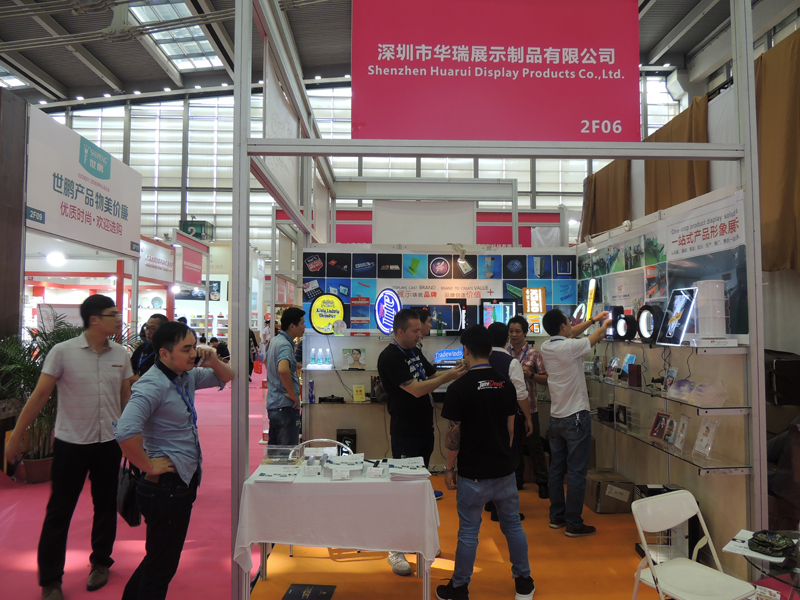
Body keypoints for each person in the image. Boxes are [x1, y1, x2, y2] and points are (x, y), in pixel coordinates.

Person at [4, 295, 134, 600]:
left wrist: (133, 438)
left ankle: (100, 562)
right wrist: (15, 436)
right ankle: (51, 580)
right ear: (94, 320)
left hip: (108, 443)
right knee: (59, 511)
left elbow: (126, 398)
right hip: (70, 444)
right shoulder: (62, 352)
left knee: (105, 506)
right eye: (113, 314)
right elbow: (39, 396)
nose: (119, 320)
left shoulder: (121, 353)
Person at [115, 321, 234, 600]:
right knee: (162, 565)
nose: (193, 354)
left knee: (159, 557)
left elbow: (227, 376)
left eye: (194, 347)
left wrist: (212, 359)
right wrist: (147, 465)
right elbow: (125, 430)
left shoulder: (184, 376)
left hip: (181, 479)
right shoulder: (153, 384)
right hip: (164, 487)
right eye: (186, 349)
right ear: (164, 353)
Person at [437, 325, 535, 600]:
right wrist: (505, 458)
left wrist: (449, 469)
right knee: (513, 527)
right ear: (491, 350)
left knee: (469, 532)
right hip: (503, 470)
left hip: (472, 473)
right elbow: (511, 430)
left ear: (465, 350)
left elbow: (454, 435)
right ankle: (524, 582)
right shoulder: (505, 385)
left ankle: (459, 587)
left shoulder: (458, 387)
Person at [377, 308, 466, 576]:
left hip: (423, 429)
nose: (420, 334)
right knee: (403, 493)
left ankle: (418, 540)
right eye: (415, 331)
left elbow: (429, 376)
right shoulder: (390, 357)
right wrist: (450, 377)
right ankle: (395, 549)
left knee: (419, 491)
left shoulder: (414, 351)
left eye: (420, 329)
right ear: (400, 332)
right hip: (405, 432)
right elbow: (416, 390)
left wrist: (454, 371)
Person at [540, 308, 611, 538]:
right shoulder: (571, 347)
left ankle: (556, 516)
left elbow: (572, 333)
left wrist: (593, 320)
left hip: (556, 418)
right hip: (576, 418)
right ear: (562, 327)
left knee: (556, 469)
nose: (571, 325)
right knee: (577, 472)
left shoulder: (547, 346)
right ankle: (574, 523)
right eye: (568, 323)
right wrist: (607, 323)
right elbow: (598, 336)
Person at [485, 322, 530, 521]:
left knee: (488, 461)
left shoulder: (480, 360)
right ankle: (501, 510)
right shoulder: (511, 362)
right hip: (507, 420)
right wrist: (528, 417)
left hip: (483, 420)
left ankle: (488, 503)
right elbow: (520, 394)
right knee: (506, 462)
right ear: (506, 339)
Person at [506, 315, 550, 498]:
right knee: (513, 446)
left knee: (535, 446)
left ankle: (543, 482)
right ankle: (517, 480)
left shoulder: (534, 354)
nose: (514, 335)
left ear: (525, 333)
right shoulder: (504, 353)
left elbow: (546, 380)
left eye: (518, 331)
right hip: (509, 409)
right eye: (511, 331)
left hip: (530, 407)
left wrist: (530, 375)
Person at [265, 308, 306, 446]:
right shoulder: (285, 344)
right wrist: (292, 394)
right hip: (285, 406)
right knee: (286, 453)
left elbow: (267, 361)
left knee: (275, 452)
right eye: (302, 323)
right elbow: (283, 369)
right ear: (292, 326)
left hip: (274, 403)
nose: (304, 327)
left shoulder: (275, 340)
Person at [130, 314, 169, 378]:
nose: (148, 332)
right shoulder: (142, 348)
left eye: (152, 329)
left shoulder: (170, 351)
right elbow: (130, 371)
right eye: (147, 328)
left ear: (163, 330)